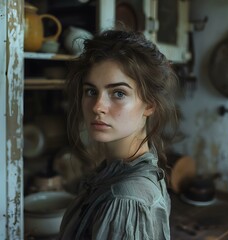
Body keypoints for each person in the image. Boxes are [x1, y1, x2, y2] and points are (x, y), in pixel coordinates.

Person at [58, 29, 179, 240]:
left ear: (150, 104)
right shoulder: (122, 168)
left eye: (119, 93)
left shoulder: (124, 201)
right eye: (91, 91)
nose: (98, 107)